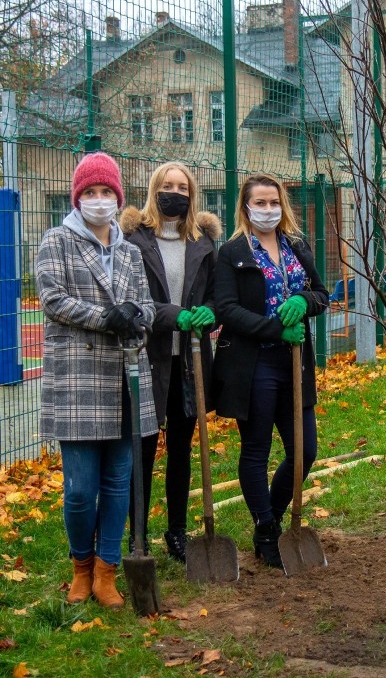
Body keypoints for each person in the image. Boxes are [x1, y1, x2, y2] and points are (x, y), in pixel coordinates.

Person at [36, 152, 158, 608]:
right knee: (81, 488)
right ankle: (80, 566)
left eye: (107, 192)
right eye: (91, 192)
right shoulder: (58, 240)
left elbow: (145, 306)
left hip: (125, 379)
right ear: (77, 197)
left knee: (118, 482)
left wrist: (134, 315)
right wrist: (108, 316)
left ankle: (107, 571)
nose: (99, 200)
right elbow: (53, 298)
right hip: (77, 383)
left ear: (118, 197)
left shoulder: (128, 251)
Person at [212, 174, 329, 569]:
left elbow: (321, 293)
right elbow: (227, 309)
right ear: (245, 208)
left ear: (283, 205)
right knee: (257, 449)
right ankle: (265, 529)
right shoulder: (231, 252)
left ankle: (273, 516)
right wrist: (276, 327)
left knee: (305, 450)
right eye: (259, 203)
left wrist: (302, 300)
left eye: (273, 202)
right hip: (254, 363)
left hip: (294, 362)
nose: (267, 209)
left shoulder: (295, 245)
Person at [120, 162, 222, 562]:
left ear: (191, 193)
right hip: (147, 358)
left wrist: (206, 315)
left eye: (181, 186)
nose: (174, 192)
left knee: (181, 451)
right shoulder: (133, 239)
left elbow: (216, 296)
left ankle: (177, 532)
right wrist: (170, 314)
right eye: (167, 185)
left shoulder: (203, 242)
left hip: (189, 361)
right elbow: (129, 294)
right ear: (154, 189)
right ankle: (137, 535)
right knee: (142, 451)